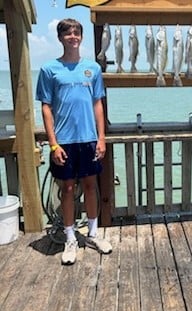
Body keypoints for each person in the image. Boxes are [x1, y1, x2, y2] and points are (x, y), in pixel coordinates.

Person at [36, 18, 112, 265]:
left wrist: (101, 138)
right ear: (60, 38)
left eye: (76, 33)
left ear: (81, 37)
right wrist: (53, 143)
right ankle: (70, 237)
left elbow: (98, 104)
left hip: (89, 139)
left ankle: (92, 233)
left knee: (91, 186)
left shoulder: (93, 69)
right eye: (67, 33)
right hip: (64, 141)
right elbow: (46, 108)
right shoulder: (49, 70)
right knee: (67, 189)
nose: (72, 37)